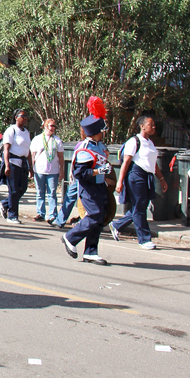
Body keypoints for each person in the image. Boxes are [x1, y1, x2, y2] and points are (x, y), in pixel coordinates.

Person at [61, 97, 111, 265]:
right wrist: (98, 170)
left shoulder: (99, 146)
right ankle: (70, 237)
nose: (104, 132)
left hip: (99, 185)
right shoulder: (86, 148)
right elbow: (80, 173)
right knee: (95, 215)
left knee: (100, 218)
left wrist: (106, 169)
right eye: (102, 130)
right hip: (88, 187)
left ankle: (91, 251)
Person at [109, 115, 168, 249]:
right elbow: (126, 162)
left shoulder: (150, 143)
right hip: (136, 175)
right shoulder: (134, 141)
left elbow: (154, 164)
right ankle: (144, 239)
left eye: (154, 125)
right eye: (151, 124)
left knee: (140, 207)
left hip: (148, 176)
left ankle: (117, 225)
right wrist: (120, 181)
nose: (154, 127)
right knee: (140, 207)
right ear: (142, 126)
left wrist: (162, 179)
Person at [0, 108, 33, 224]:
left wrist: (31, 167)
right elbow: (6, 149)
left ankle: (5, 203)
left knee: (22, 188)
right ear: (16, 117)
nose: (25, 118)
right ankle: (12, 215)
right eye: (22, 116)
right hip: (13, 163)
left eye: (26, 116)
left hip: (22, 163)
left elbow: (28, 150)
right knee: (13, 190)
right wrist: (7, 165)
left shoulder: (26, 132)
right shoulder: (11, 130)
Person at [30, 118, 64, 222]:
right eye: (51, 126)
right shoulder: (37, 139)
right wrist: (31, 169)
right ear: (45, 126)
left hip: (53, 171)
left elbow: (61, 157)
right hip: (39, 170)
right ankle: (40, 213)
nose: (53, 128)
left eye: (54, 126)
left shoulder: (57, 140)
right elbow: (32, 154)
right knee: (40, 192)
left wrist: (62, 171)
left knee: (52, 193)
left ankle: (53, 214)